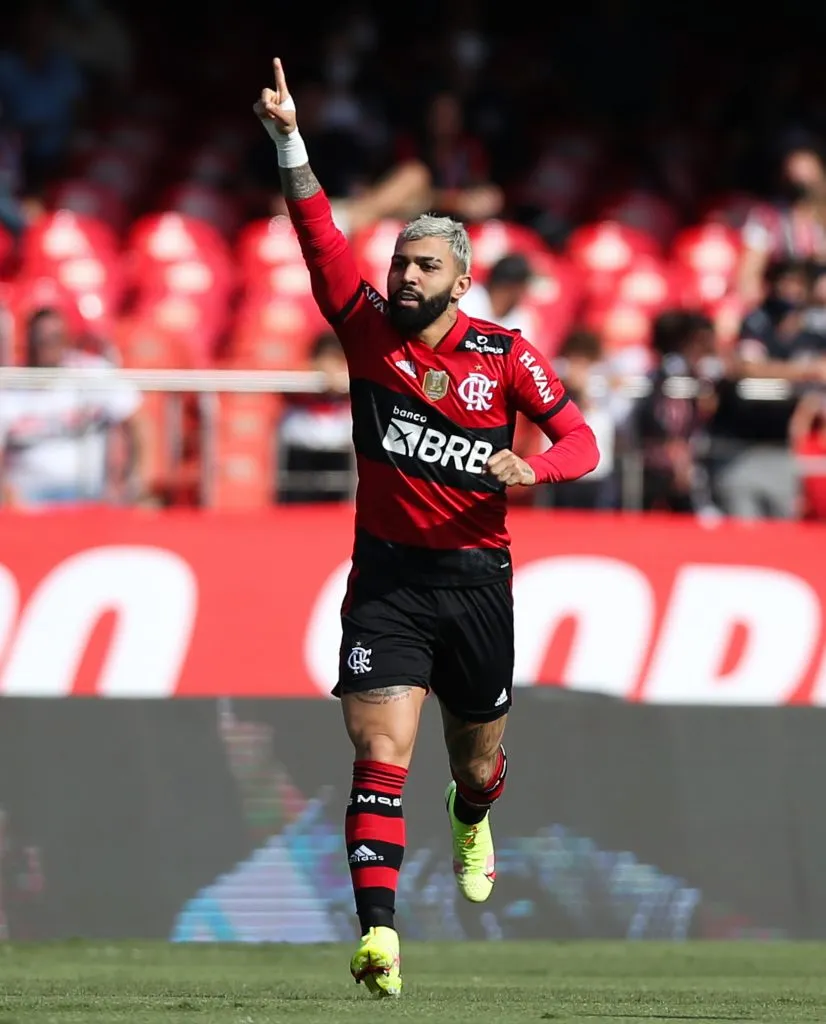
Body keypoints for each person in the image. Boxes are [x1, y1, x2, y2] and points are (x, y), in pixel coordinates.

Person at [254, 58, 599, 998]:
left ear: (461, 279)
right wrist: (290, 137)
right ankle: (380, 937)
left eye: (422, 265)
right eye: (400, 260)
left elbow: (584, 439)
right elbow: (318, 231)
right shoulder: (366, 330)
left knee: (476, 765)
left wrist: (537, 466)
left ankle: (474, 811)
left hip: (478, 582)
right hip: (390, 582)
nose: (402, 275)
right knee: (378, 754)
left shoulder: (506, 357)